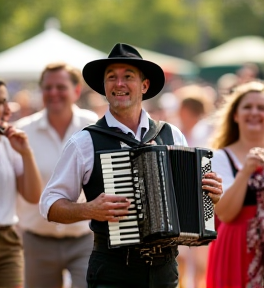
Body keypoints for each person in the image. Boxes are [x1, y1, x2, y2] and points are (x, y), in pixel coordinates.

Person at [40, 43, 223, 288]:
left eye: (128, 77)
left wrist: (210, 195)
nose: (119, 84)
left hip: (165, 271)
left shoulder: (172, 134)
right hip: (113, 269)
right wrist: (89, 209)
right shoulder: (85, 141)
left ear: (144, 85)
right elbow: (49, 204)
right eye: (111, 78)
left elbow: (192, 203)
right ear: (104, 87)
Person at [15, 62, 98, 288]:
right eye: (48, 87)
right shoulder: (23, 131)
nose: (53, 93)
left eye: (60, 87)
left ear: (76, 91)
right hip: (36, 240)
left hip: (85, 239)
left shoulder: (94, 127)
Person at [0, 76, 42, 287]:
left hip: (7, 244)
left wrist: (26, 153)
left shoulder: (8, 144)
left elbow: (33, 197)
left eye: (7, 101)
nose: (8, 109)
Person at [206, 80, 264, 288]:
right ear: (235, 115)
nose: (254, 112)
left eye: (261, 107)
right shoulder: (219, 157)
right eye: (247, 107)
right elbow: (226, 213)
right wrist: (246, 171)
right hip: (236, 249)